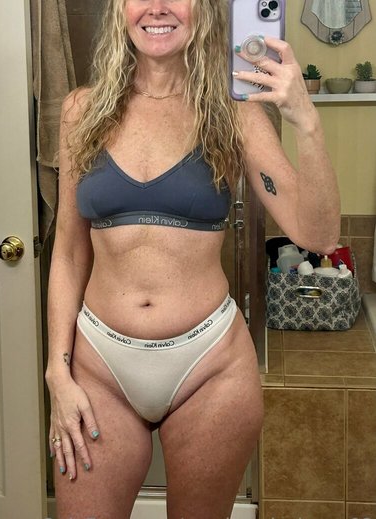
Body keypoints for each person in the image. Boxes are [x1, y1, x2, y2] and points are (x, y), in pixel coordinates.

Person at [45, 1, 340, 518]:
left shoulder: (233, 111)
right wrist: (57, 371)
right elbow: (69, 251)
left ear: (201, 9)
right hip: (99, 368)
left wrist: (305, 121)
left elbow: (318, 234)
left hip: (210, 368)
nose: (157, 7)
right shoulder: (81, 110)